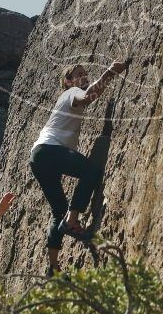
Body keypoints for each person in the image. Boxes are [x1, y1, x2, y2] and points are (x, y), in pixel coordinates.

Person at [29, 59, 129, 277]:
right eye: (79, 74)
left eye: (86, 74)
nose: (84, 77)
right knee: (90, 172)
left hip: (39, 156)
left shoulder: (65, 99)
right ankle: (72, 221)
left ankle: (53, 267)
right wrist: (110, 73)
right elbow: (87, 98)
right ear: (68, 82)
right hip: (49, 150)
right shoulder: (70, 92)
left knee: (58, 210)